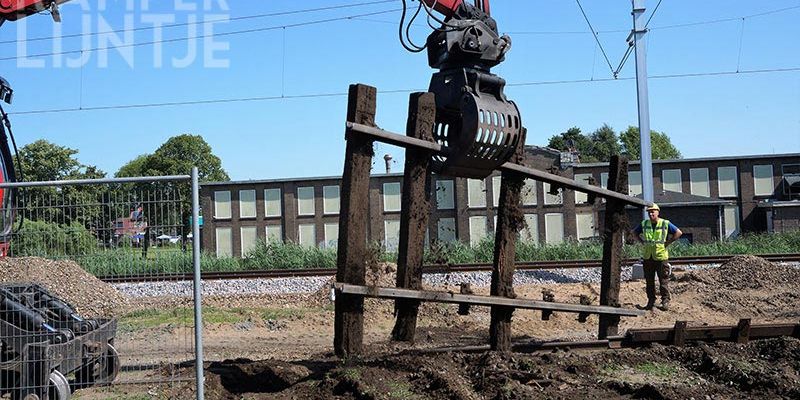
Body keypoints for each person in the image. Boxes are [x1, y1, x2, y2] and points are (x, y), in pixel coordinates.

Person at [633, 203, 682, 311]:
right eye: (649, 212)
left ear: (658, 212)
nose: (651, 214)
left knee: (663, 281)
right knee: (649, 281)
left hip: (661, 257)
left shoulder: (665, 223)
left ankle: (665, 301)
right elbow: (634, 233)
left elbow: (678, 232)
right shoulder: (644, 224)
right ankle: (651, 301)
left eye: (653, 211)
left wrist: (668, 243)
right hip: (648, 257)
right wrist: (642, 242)